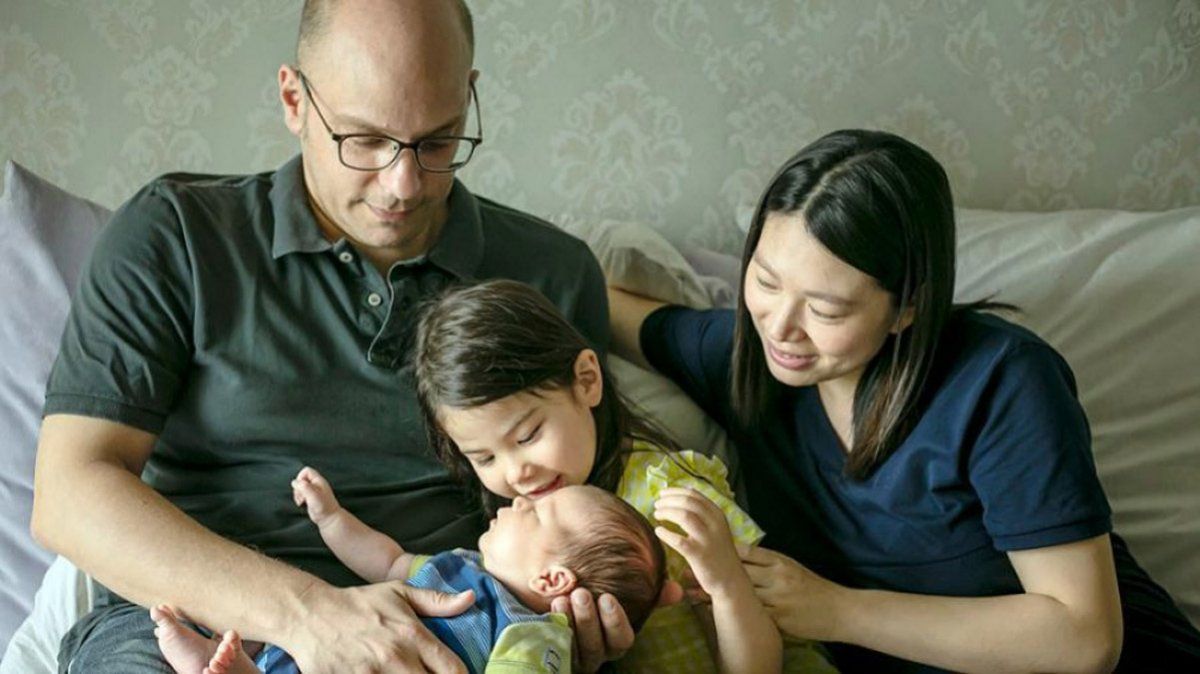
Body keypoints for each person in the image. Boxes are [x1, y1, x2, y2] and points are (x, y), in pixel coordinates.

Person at [30, 1, 633, 672]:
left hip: (449, 630)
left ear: (468, 99)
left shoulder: (552, 273)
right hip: (191, 626)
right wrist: (310, 615)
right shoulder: (175, 235)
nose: (403, 185)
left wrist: (562, 627)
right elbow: (69, 494)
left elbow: (575, 520)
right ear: (294, 100)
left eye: (437, 142)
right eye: (364, 140)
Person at [607, 129, 1200, 673]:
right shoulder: (746, 356)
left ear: (908, 307)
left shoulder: (1000, 382)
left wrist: (835, 609)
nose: (780, 326)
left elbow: (1085, 639)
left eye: (825, 309)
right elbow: (596, 301)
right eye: (765, 280)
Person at [412, 279, 837, 674]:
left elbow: (760, 666)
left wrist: (726, 582)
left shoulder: (670, 499)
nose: (516, 474)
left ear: (586, 381)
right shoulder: (523, 534)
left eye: (528, 436)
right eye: (485, 458)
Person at [150, 475, 665, 674]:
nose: (516, 501)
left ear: (552, 580)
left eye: (536, 512)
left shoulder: (532, 634)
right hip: (326, 644)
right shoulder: (460, 565)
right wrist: (333, 520)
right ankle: (233, 661)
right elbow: (389, 561)